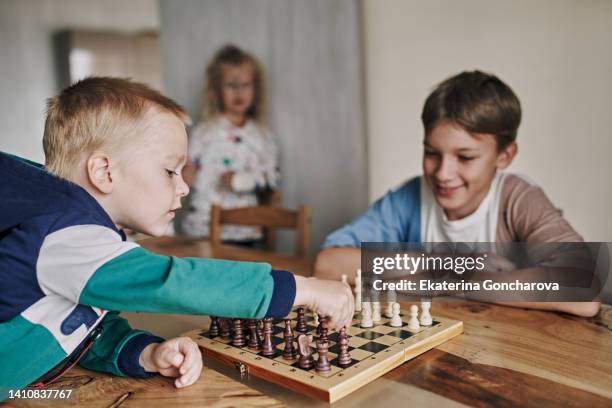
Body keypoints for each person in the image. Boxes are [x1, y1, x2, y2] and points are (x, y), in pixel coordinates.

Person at [0, 77, 354, 400]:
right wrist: (303, 289)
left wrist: (144, 352)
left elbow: (76, 329)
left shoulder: (73, 244)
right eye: (170, 171)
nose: (184, 187)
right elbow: (172, 282)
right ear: (104, 171)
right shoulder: (64, 236)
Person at [314, 70, 600, 317]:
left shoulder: (518, 198)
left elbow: (584, 289)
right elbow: (329, 263)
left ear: (504, 156)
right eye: (431, 153)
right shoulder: (409, 198)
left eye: (465, 157)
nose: (443, 173)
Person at [181, 45, 279, 243]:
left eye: (245, 85)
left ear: (256, 89)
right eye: (231, 85)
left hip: (244, 231)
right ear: (216, 90)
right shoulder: (205, 131)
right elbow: (188, 168)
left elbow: (272, 177)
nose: (239, 92)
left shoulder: (262, 136)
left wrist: (244, 180)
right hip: (203, 227)